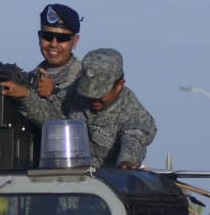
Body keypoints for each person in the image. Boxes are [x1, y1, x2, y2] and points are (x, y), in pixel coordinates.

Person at [13, 48, 156, 169]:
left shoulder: (132, 111)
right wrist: (24, 95)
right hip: (67, 181)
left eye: (99, 94)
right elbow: (49, 115)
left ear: (119, 85)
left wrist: (127, 162)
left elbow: (134, 137)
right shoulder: (74, 93)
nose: (92, 99)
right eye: (88, 93)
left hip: (103, 188)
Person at [0, 4, 84, 107]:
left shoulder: (86, 79)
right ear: (39, 37)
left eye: (62, 38)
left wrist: (54, 93)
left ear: (75, 41)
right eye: (47, 36)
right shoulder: (27, 79)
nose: (53, 44)